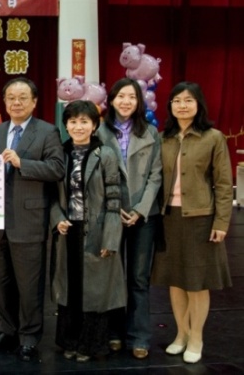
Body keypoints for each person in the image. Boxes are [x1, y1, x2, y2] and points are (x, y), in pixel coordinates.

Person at [0, 77, 65, 362]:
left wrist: (22, 163)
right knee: (1, 283)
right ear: (4, 102)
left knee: (30, 286)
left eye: (22, 97)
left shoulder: (48, 131)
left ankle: (29, 337)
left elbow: (57, 169)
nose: (16, 103)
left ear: (34, 101)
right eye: (11, 98)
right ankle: (6, 331)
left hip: (29, 219)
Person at [151, 81, 232, 364]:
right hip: (168, 218)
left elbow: (224, 184)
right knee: (174, 280)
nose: (182, 106)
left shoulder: (213, 137)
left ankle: (196, 337)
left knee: (197, 283)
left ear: (198, 105)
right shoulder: (163, 138)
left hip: (201, 219)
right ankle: (181, 334)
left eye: (188, 100)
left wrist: (221, 222)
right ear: (170, 106)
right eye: (177, 101)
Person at [50, 100, 126, 362]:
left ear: (94, 125)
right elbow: (52, 196)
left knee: (94, 293)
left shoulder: (105, 154)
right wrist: (57, 219)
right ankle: (69, 341)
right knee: (70, 290)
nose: (78, 126)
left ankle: (90, 345)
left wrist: (111, 238)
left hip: (96, 230)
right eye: (73, 121)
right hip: (68, 231)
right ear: (66, 125)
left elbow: (114, 200)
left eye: (84, 121)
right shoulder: (60, 153)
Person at [96, 78, 162, 359]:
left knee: (138, 278)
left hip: (143, 216)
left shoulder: (151, 132)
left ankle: (139, 336)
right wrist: (114, 207)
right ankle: (114, 332)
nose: (126, 101)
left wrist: (139, 210)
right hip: (110, 213)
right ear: (111, 100)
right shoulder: (99, 131)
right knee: (112, 275)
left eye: (132, 97)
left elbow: (156, 175)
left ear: (139, 102)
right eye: (121, 96)